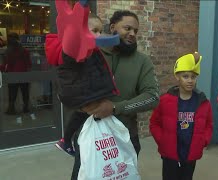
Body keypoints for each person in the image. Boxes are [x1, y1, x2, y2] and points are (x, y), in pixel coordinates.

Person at [70, 10, 159, 179]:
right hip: (89, 136)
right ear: (112, 27)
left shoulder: (142, 61)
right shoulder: (92, 53)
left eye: (136, 31)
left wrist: (115, 107)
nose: (132, 34)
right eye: (127, 28)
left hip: (125, 138)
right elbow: (69, 87)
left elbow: (152, 97)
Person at [48, 13, 119, 156]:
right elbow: (69, 57)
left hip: (86, 91)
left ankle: (67, 140)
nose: (99, 35)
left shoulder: (91, 49)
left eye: (100, 31)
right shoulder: (77, 49)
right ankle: (66, 140)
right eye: (95, 31)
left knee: (82, 115)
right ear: (80, 32)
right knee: (90, 113)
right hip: (82, 92)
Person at [150, 52, 213, 180]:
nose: (190, 80)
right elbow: (154, 123)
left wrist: (203, 141)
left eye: (193, 77)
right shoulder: (165, 101)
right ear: (177, 76)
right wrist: (162, 140)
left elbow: (209, 124)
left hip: (190, 154)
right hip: (170, 154)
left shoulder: (203, 102)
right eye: (185, 76)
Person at [0, 32, 31, 114]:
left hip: (12, 74)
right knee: (25, 91)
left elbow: (5, 65)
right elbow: (29, 64)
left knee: (12, 93)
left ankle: (11, 108)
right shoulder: (24, 51)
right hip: (23, 74)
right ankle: (26, 107)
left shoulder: (7, 52)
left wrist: (3, 70)